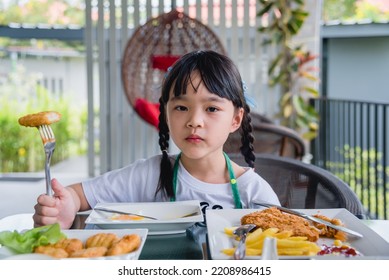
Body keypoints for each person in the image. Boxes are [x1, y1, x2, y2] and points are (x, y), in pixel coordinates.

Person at [33, 50, 280, 229]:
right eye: (181, 107)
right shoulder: (151, 174)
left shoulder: (253, 191)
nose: (195, 120)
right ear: (166, 114)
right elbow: (79, 195)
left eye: (212, 109)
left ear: (235, 119)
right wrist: (64, 208)